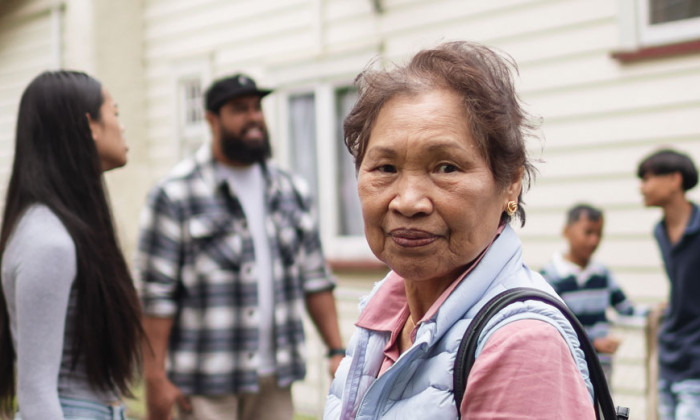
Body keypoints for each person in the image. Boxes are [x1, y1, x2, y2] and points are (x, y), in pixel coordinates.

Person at [324, 41, 596, 419]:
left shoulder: (521, 343)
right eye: (385, 168)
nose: (408, 201)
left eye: (446, 168)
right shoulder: (383, 315)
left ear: (510, 184)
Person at [135, 73, 344, 420]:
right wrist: (155, 378)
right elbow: (156, 295)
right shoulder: (175, 194)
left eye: (257, 107)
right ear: (211, 120)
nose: (254, 117)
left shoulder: (291, 190)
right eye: (239, 109)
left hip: (275, 377)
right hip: (204, 382)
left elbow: (315, 278)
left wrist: (336, 348)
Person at [0, 70, 144, 419]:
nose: (122, 127)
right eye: (115, 113)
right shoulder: (48, 241)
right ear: (90, 125)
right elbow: (36, 391)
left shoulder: (64, 227)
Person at [540, 203, 648, 383]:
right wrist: (593, 343)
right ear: (566, 231)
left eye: (599, 234)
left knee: (602, 411)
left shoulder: (602, 274)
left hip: (601, 370)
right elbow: (554, 327)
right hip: (568, 370)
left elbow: (627, 309)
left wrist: (660, 312)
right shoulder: (550, 278)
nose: (594, 241)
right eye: (588, 232)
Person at [637, 148, 700, 420]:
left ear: (675, 180)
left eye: (648, 178)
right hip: (671, 353)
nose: (642, 188)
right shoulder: (660, 231)